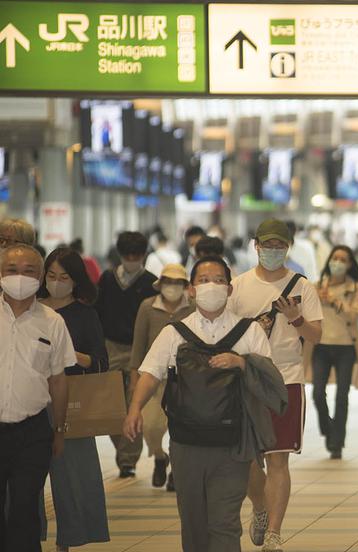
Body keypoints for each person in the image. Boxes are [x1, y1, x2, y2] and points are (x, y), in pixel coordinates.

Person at [123, 255, 286, 552]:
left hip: (233, 443)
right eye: (203, 280)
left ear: (230, 289)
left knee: (224, 523)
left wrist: (241, 363)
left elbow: (269, 382)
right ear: (192, 290)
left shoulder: (249, 332)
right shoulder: (174, 334)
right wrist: (134, 409)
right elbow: (150, 373)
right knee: (193, 522)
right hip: (186, 444)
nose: (212, 286)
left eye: (219, 280)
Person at [229, 219, 323, 552]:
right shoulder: (237, 286)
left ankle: (274, 533)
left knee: (278, 459)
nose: (273, 251)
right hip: (246, 379)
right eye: (267, 245)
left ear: (288, 247)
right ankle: (260, 507)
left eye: (279, 246)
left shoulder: (302, 286)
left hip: (287, 380)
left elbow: (316, 335)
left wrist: (296, 318)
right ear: (255, 246)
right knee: (250, 460)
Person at [0, 244, 74, 551]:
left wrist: (59, 428)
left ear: (40, 276)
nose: (20, 277)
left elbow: (58, 380)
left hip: (32, 431)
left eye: (29, 271)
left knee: (25, 506)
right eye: (11, 271)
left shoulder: (52, 321)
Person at [38, 247, 110, 551]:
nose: (56, 282)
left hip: (71, 402)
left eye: (63, 277)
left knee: (74, 477)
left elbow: (101, 363)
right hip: (31, 401)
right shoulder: (30, 309)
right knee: (25, 476)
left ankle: (68, 539)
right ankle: (28, 536)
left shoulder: (85, 314)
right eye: (51, 275)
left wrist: (71, 354)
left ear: (76, 279)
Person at [94, 231, 157, 478]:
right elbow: (97, 313)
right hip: (110, 347)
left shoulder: (151, 283)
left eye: (137, 254)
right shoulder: (107, 280)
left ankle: (128, 459)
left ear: (143, 255)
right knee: (111, 405)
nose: (132, 258)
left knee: (134, 403)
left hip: (138, 348)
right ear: (120, 254)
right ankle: (122, 449)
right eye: (128, 254)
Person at [128, 263, 195, 491]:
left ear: (185, 285)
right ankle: (159, 456)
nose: (172, 287)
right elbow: (138, 344)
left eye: (177, 282)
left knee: (180, 428)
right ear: (160, 284)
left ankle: (177, 469)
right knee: (151, 426)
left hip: (186, 378)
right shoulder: (147, 307)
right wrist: (134, 375)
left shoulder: (193, 308)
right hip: (153, 376)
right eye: (168, 281)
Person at [309, 245, 358, 459]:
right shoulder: (317, 287)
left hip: (346, 347)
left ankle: (337, 442)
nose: (338, 263)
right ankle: (329, 429)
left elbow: (356, 315)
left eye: (343, 260)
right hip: (321, 346)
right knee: (317, 393)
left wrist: (334, 302)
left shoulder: (355, 288)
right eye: (335, 258)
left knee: (342, 396)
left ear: (350, 264)